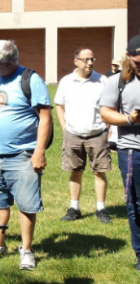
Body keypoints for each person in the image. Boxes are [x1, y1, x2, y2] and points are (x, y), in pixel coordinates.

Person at [0, 40, 51, 271]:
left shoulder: (31, 80)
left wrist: (39, 152)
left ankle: (27, 249)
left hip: (23, 154)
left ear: (11, 61)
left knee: (26, 204)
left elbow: (45, 117)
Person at [55, 47, 111, 224]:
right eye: (86, 59)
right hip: (73, 134)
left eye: (92, 59)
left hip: (97, 134)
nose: (90, 63)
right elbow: (59, 105)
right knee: (75, 171)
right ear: (76, 61)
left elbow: (110, 106)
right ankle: (74, 208)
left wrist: (106, 127)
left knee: (99, 172)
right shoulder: (66, 81)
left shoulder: (102, 80)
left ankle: (101, 209)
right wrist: (64, 128)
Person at [100, 34, 140, 270]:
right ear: (128, 57)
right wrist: (129, 119)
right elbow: (105, 112)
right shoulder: (118, 81)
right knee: (135, 203)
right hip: (132, 151)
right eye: (137, 61)